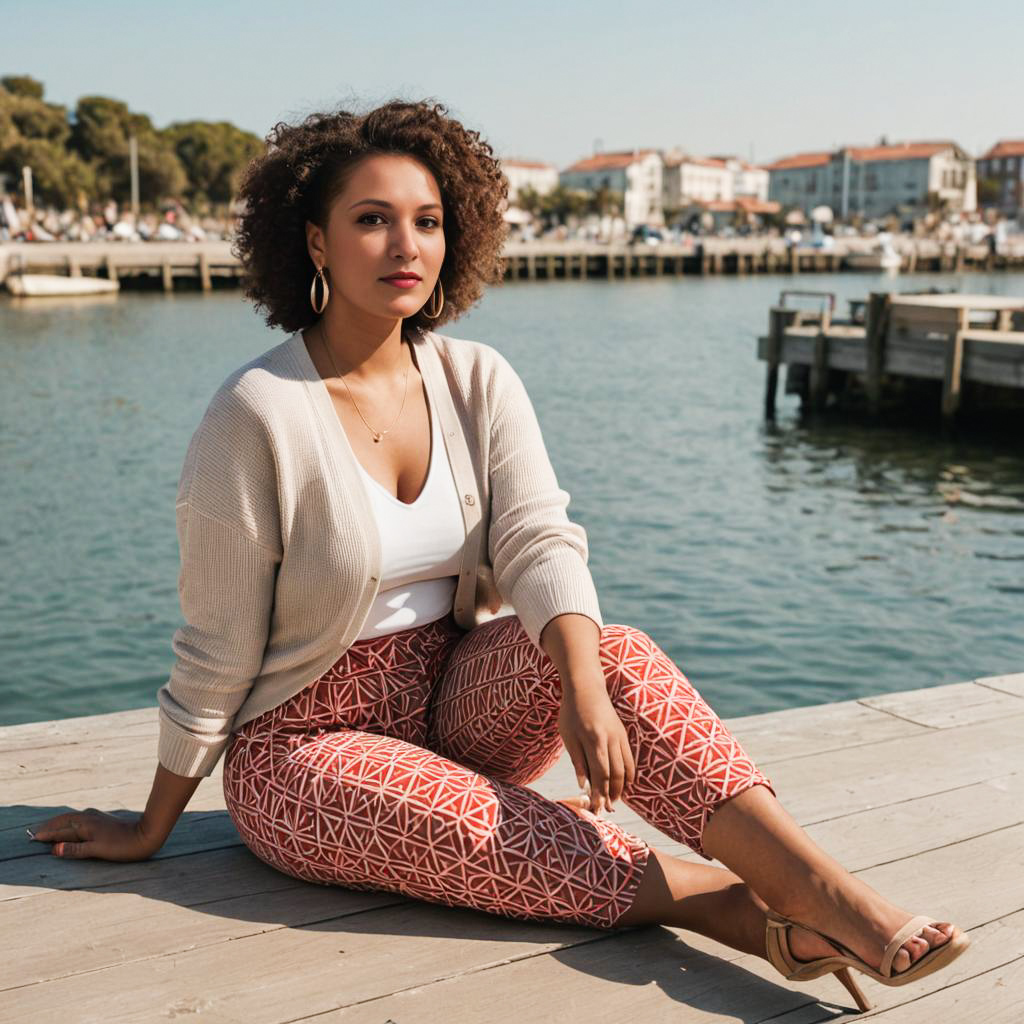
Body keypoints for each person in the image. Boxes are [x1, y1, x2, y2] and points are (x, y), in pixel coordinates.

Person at [26, 98, 967, 1012]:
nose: (406, 247)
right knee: (496, 834)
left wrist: (582, 685)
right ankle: (745, 915)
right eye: (372, 220)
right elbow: (216, 642)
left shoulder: (478, 379)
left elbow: (537, 538)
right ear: (315, 241)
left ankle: (820, 887)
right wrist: (154, 825)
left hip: (450, 699)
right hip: (301, 751)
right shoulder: (257, 413)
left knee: (616, 652)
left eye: (428, 222)